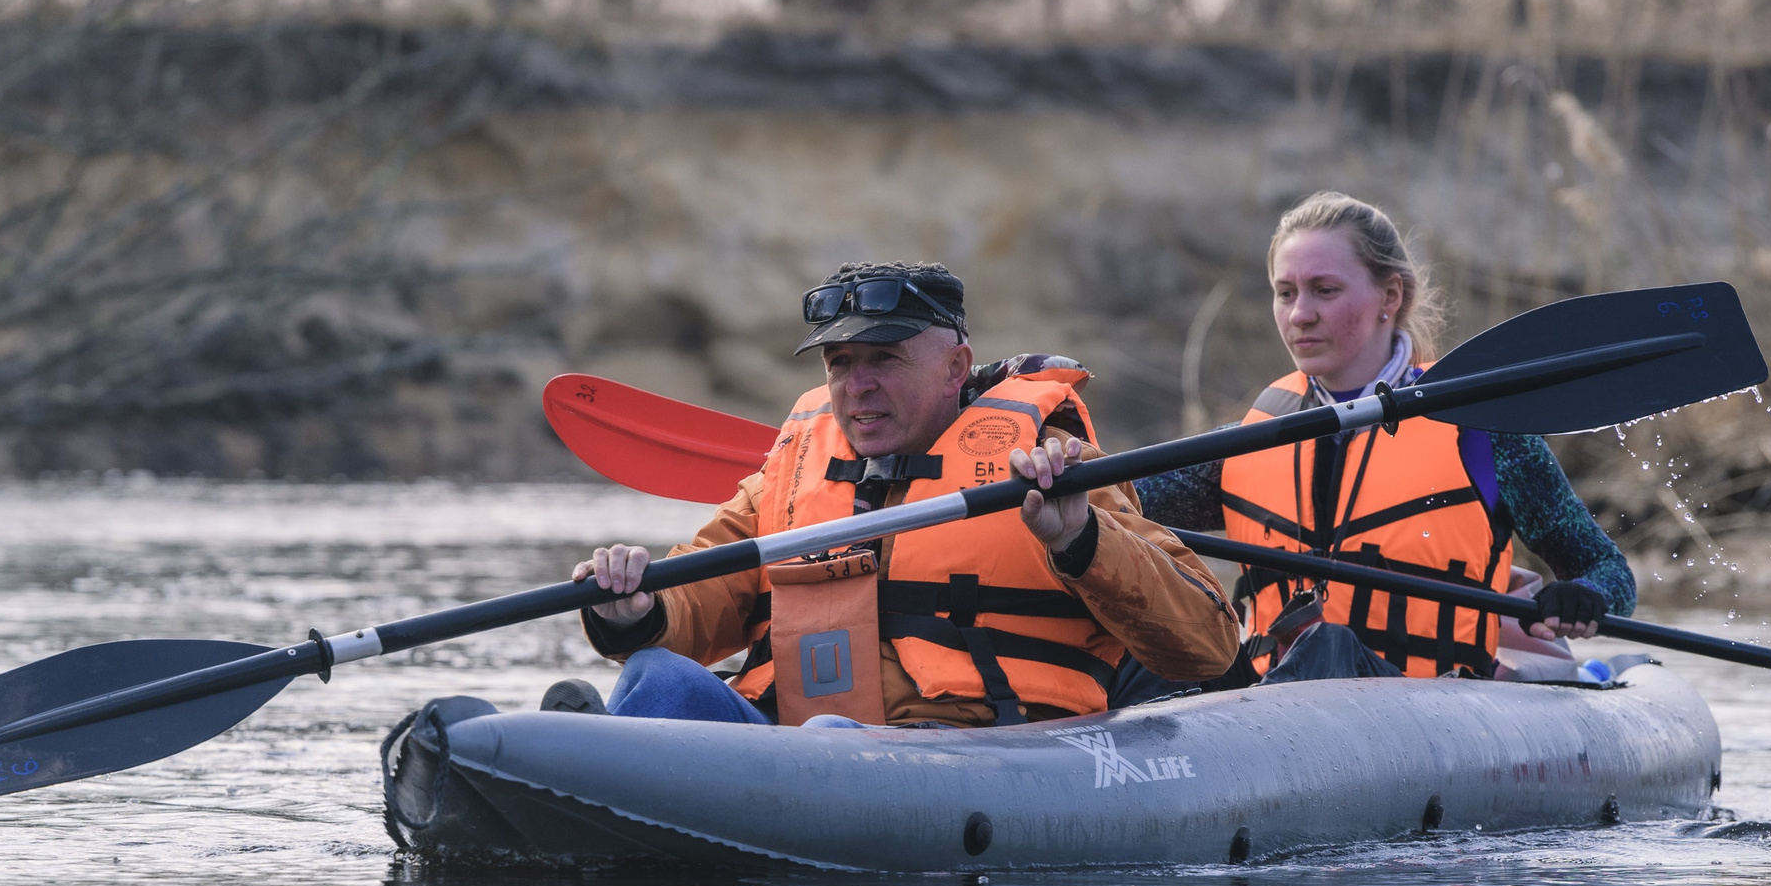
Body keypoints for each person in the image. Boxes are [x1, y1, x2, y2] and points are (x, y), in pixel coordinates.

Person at [555, 262, 1240, 727]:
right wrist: (633, 609)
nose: (858, 386)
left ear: (956, 369)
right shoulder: (786, 475)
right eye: (840, 364)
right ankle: (567, 771)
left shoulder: (1055, 469)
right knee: (657, 673)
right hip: (790, 751)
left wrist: (1080, 539)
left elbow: (1207, 644)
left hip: (967, 758)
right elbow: (698, 604)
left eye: (884, 359)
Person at [1136, 192, 1636, 683]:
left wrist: (1585, 595)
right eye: (1285, 292)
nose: (1299, 314)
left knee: (1329, 646)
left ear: (1390, 296)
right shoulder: (1246, 443)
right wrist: (1060, 461)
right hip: (1276, 716)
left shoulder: (1481, 434)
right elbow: (1114, 504)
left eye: (1324, 290)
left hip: (1437, 712)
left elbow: (1608, 569)